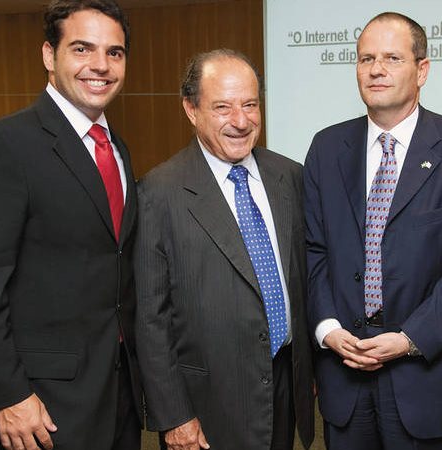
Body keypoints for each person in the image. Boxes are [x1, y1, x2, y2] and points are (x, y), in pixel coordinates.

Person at [0, 1, 142, 449]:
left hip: (114, 398)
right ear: (49, 55)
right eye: (82, 49)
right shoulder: (1, 145)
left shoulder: (118, 148)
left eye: (115, 52)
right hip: (36, 409)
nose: (100, 66)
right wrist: (8, 395)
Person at [304, 11, 442, 450]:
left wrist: (409, 339)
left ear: (422, 70)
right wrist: (327, 328)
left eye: (392, 58)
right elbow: (314, 253)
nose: (376, 69)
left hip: (426, 378)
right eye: (365, 58)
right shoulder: (326, 146)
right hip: (344, 371)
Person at [134, 49, 315, 450]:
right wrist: (174, 415)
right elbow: (150, 319)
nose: (240, 120)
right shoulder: (158, 194)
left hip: (284, 382)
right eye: (222, 107)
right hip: (208, 402)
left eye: (250, 105)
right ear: (191, 109)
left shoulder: (289, 176)